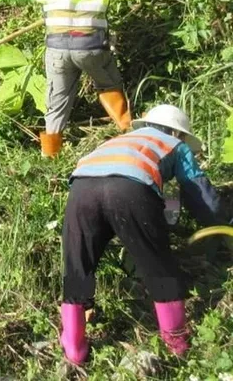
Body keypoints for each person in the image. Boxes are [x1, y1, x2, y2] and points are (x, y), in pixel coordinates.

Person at [59, 105, 230, 364]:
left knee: (78, 267)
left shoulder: (121, 140)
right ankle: (177, 345)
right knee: (158, 265)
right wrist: (222, 222)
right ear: (177, 132)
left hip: (82, 189)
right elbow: (200, 194)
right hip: (129, 189)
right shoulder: (175, 144)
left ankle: (74, 347)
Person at [36, 0, 163, 157]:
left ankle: (49, 156)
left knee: (57, 100)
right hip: (89, 46)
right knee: (109, 85)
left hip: (56, 48)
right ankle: (128, 134)